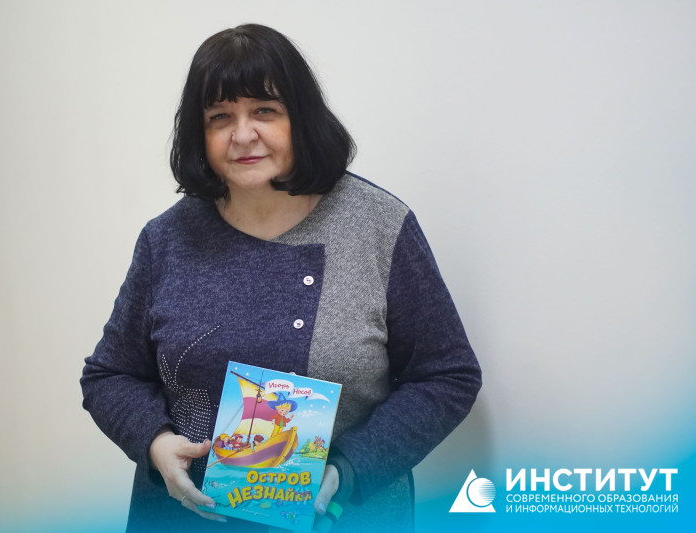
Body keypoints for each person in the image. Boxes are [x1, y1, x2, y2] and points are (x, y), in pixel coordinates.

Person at [81, 23, 481, 533]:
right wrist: (156, 443)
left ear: (301, 118)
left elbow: (446, 375)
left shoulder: (379, 226)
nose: (242, 135)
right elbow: (109, 375)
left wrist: (349, 468)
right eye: (220, 117)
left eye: (265, 111)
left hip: (344, 516)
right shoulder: (166, 239)